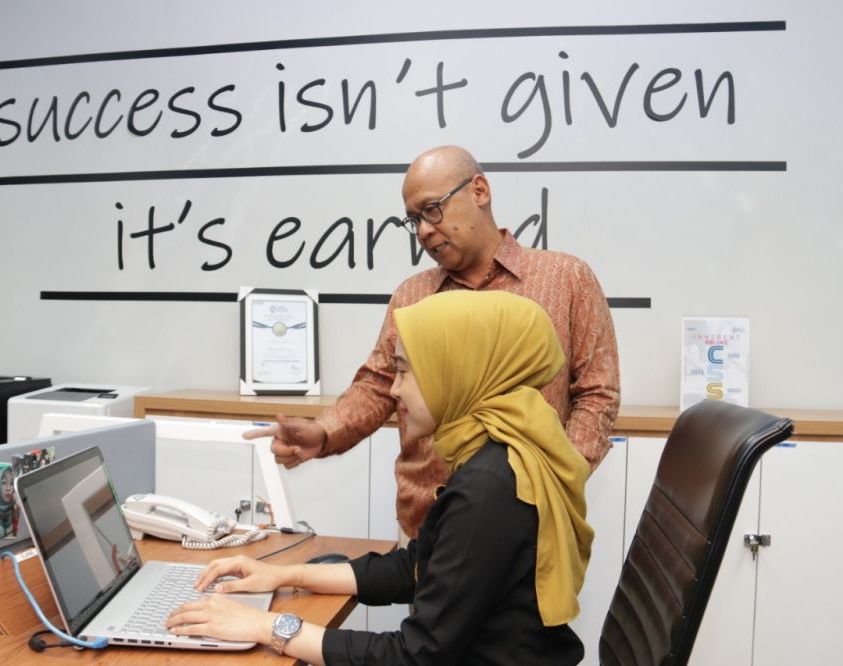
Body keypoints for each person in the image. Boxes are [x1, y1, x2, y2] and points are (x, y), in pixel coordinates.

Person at [168, 291, 593, 665]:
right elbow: (417, 567)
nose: (394, 390)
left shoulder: (488, 487)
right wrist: (284, 575)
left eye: (405, 371)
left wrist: (266, 626)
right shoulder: (500, 453)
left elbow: (415, 655)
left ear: (455, 370)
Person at [247, 145, 620, 537]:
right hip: (427, 529)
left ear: (479, 191)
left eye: (432, 209)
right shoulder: (412, 297)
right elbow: (377, 386)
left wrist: (557, 479)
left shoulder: (567, 279)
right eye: (414, 220)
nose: (424, 230)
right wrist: (323, 432)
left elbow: (598, 393)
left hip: (533, 528)